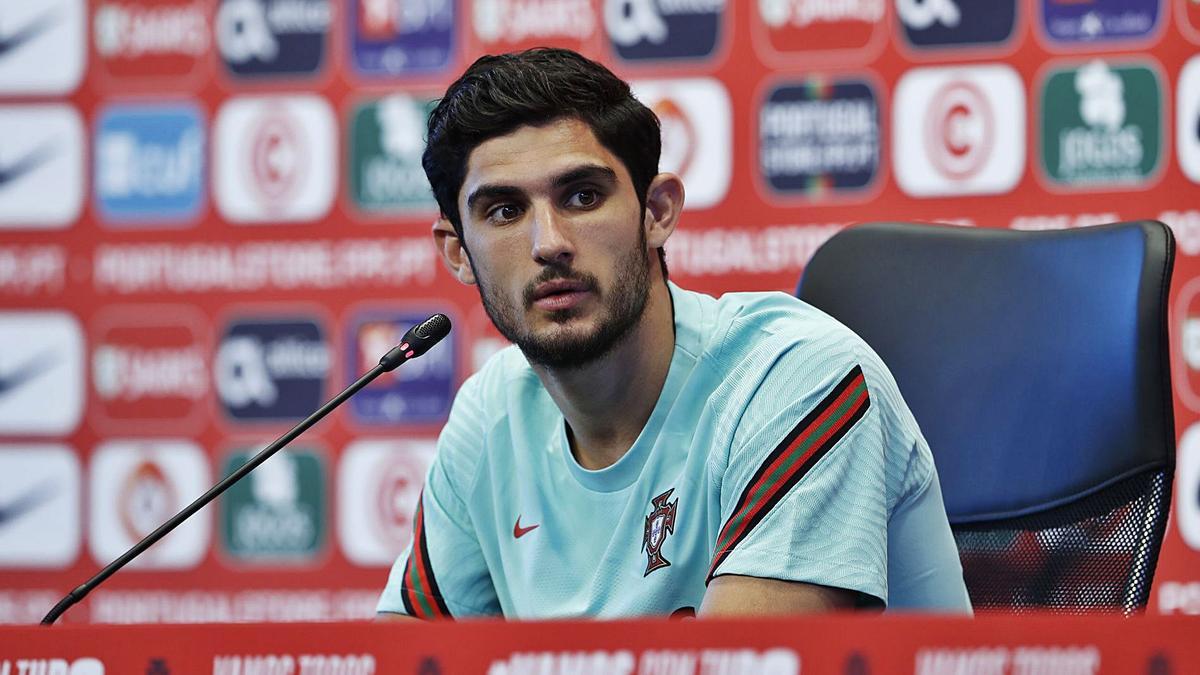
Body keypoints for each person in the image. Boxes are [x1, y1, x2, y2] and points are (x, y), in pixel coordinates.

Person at [376, 48, 971, 619]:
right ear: (458, 252)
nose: (548, 243)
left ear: (656, 211)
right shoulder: (489, 418)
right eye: (505, 211)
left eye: (582, 196)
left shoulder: (796, 380)